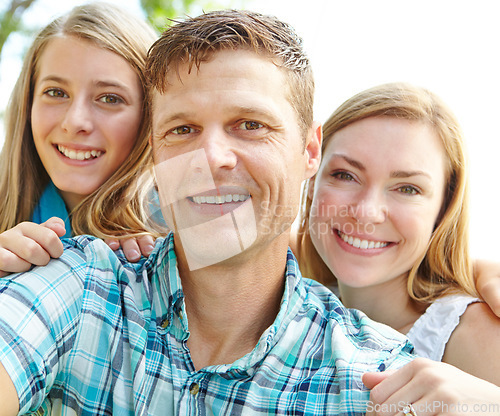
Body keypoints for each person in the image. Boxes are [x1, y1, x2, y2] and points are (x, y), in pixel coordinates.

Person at [0, 10, 416, 415]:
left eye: (250, 124)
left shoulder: (375, 377)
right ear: (155, 153)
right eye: (183, 129)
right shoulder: (76, 284)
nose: (211, 156)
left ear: (310, 151)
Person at [295, 82, 500, 413]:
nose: (366, 212)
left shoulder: (471, 334)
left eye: (407, 188)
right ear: (311, 179)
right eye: (345, 175)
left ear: (443, 210)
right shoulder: (289, 286)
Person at [0, 2, 159, 277]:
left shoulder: (186, 226)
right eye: (56, 93)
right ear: (28, 103)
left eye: (110, 98)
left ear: (150, 115)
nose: (75, 122)